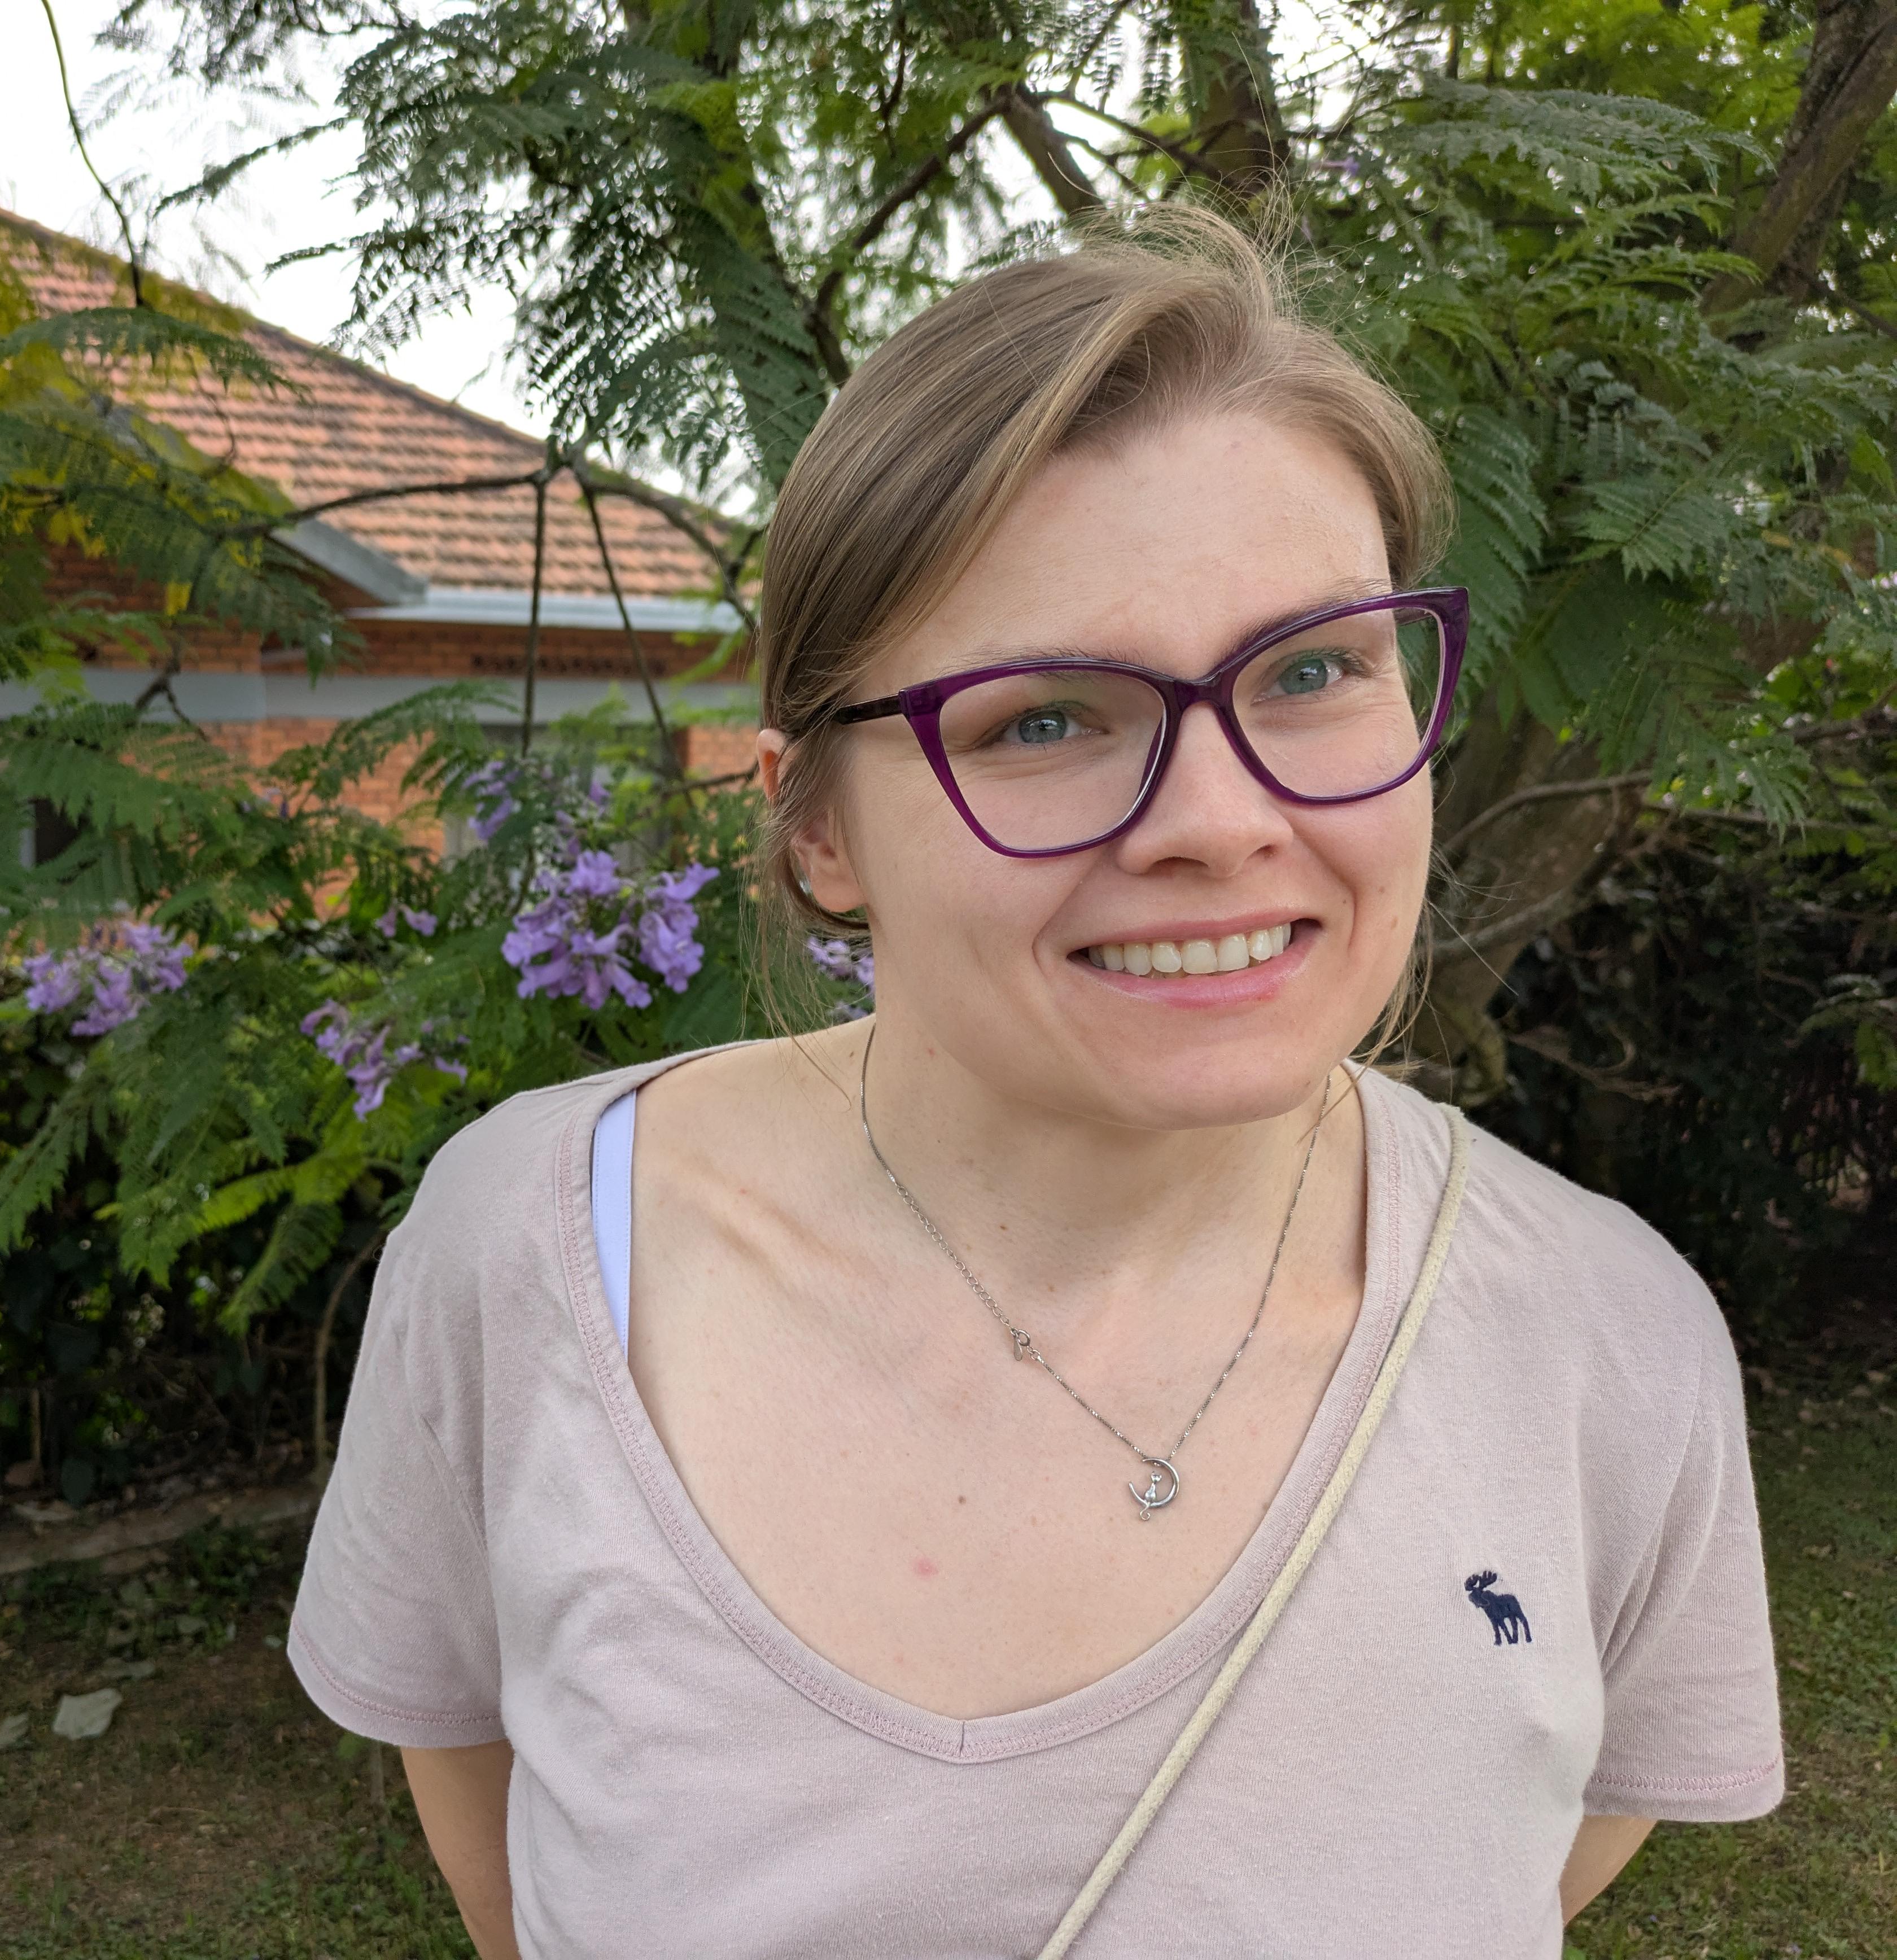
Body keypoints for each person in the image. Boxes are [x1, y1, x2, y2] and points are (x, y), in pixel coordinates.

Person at [284, 216, 1783, 1957]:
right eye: (1046, 718)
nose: (1221, 821)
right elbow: (490, 1825)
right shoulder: (532, 1259)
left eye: (1313, 671)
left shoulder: (1612, 1342)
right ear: (819, 831)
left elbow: (1538, 1859)